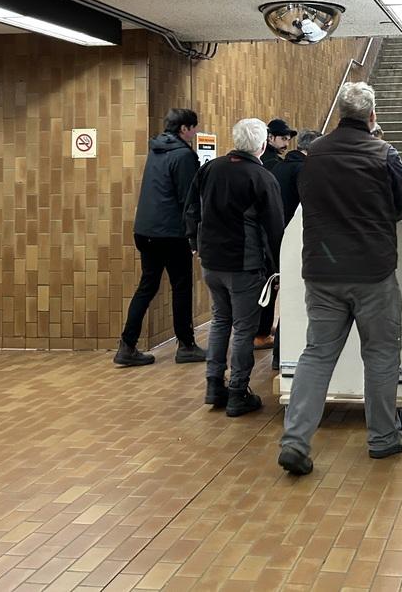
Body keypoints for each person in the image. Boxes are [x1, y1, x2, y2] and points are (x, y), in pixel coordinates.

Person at [278, 82, 402, 476]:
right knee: (381, 354)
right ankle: (383, 437)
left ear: (340, 113)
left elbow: (306, 200)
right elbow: (400, 207)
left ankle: (295, 441)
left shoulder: (313, 154)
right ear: (372, 116)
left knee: (317, 355)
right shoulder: (384, 153)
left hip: (322, 271)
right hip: (373, 272)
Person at [185, 118, 285, 417]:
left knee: (220, 321)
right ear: (263, 145)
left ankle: (214, 385)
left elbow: (192, 208)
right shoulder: (261, 176)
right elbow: (274, 227)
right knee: (243, 328)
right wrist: (278, 267)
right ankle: (238, 392)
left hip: (211, 261)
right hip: (244, 264)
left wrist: (195, 243)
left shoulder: (210, 169)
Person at [115, 108, 204, 367]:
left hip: (145, 231)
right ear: (184, 128)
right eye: (194, 128)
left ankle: (127, 345)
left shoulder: (155, 151)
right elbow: (188, 200)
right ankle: (186, 345)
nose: (195, 132)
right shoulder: (183, 155)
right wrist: (194, 236)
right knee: (181, 286)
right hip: (171, 233)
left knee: (147, 286)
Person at [257, 129, 321, 358]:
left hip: (272, 234)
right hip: (293, 237)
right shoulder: (303, 170)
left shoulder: (280, 166)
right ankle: (279, 349)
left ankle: (268, 337)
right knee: (293, 292)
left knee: (277, 287)